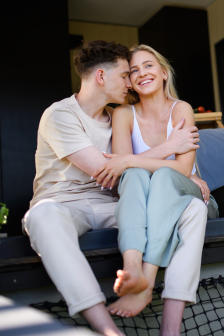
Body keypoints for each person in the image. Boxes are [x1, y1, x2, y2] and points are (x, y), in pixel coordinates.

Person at [22, 40, 206, 336]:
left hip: (113, 203)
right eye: (125, 75)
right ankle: (108, 329)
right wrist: (171, 147)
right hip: (65, 204)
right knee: (41, 218)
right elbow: (108, 169)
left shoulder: (117, 116)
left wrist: (185, 177)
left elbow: (129, 171)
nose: (130, 83)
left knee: (193, 209)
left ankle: (164, 317)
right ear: (101, 77)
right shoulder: (60, 115)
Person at [92, 45, 211, 325]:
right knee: (133, 175)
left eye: (148, 66)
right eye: (133, 71)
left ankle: (146, 279)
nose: (142, 73)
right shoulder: (123, 114)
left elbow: (181, 169)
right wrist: (164, 149)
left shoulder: (180, 109)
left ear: (164, 73)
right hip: (145, 198)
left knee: (161, 175)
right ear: (129, 82)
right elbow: (122, 170)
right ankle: (131, 266)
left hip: (189, 193)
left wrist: (131, 161)